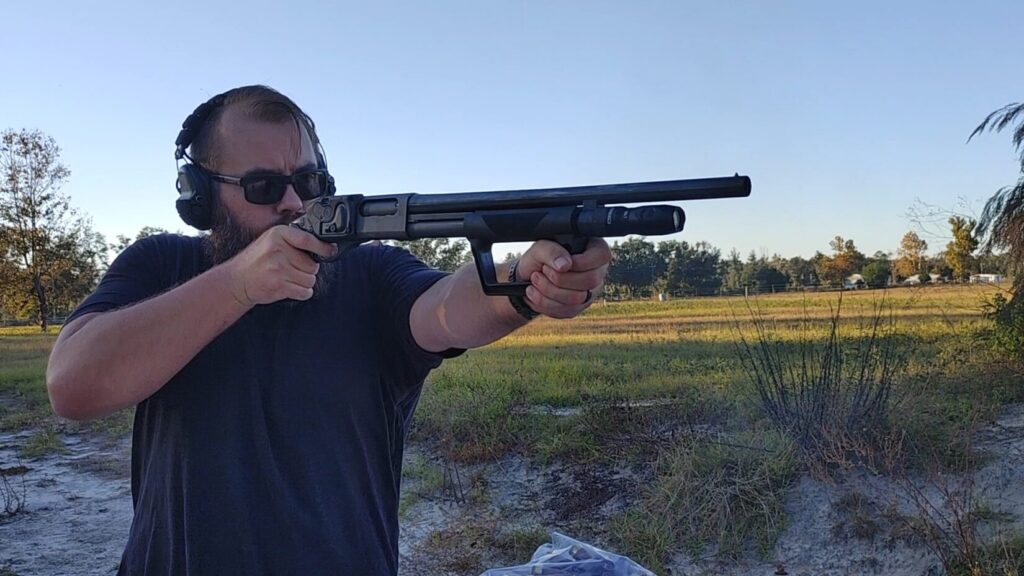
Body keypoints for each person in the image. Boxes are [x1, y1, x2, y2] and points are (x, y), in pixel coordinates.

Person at [45, 85, 610, 575]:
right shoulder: (160, 265)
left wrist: (523, 282)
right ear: (201, 196)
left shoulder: (367, 272)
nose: (293, 203)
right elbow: (73, 385)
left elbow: (444, 309)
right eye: (264, 187)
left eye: (309, 180)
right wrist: (238, 285)